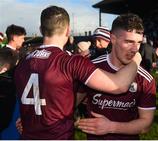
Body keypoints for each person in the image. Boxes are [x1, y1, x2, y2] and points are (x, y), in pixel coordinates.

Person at [14, 6, 141, 140]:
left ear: (41, 29)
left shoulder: (23, 62)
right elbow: (118, 85)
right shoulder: (70, 62)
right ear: (68, 30)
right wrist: (136, 59)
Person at [76, 13, 156, 140]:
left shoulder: (145, 78)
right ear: (112, 39)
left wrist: (111, 127)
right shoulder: (91, 69)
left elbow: (146, 124)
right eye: (129, 42)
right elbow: (72, 102)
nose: (135, 49)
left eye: (138, 42)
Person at [0, 24, 26, 139]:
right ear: (14, 37)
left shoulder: (17, 53)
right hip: (7, 100)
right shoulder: (6, 54)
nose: (24, 40)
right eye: (22, 37)